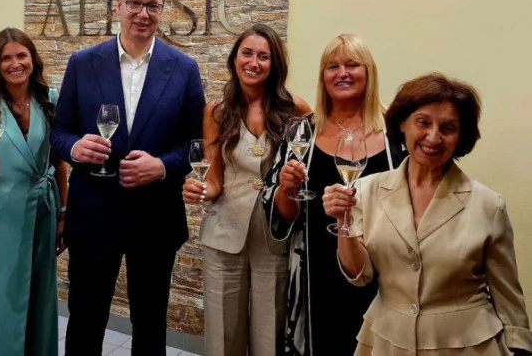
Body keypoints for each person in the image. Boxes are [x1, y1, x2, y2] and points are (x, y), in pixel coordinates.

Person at [51, 0, 206, 356]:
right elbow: (59, 131)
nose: (143, 13)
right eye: (135, 3)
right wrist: (75, 147)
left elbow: (197, 144)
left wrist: (163, 167)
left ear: (162, 11)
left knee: (150, 324)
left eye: (152, 5)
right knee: (85, 319)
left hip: (155, 215)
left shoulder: (184, 68)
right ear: (118, 7)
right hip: (93, 214)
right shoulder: (83, 63)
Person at [324, 73, 532, 355]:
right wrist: (343, 219)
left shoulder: (488, 205)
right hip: (389, 343)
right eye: (423, 122)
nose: (434, 137)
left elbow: (508, 298)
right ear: (403, 124)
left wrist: (520, 346)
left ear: (461, 136)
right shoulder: (366, 191)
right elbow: (360, 276)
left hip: (469, 346)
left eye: (448, 128)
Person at [265, 34, 404, 355]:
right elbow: (281, 217)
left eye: (352, 65)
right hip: (316, 274)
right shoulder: (302, 132)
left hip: (383, 272)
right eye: (332, 67)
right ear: (323, 76)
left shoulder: (396, 131)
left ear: (369, 72)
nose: (342, 73)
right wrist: (286, 189)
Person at [181, 24, 311, 356]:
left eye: (263, 56)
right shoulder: (216, 111)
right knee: (223, 334)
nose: (253, 63)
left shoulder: (295, 108)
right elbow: (215, 181)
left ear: (274, 64)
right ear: (235, 58)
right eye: (247, 53)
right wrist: (199, 189)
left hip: (276, 236)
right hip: (224, 233)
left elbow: (322, 144)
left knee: (271, 334)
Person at [0, 28, 68, 356]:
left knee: (38, 303)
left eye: (21, 55)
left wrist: (62, 214)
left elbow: (59, 164)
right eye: (6, 58)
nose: (15, 63)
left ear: (33, 59)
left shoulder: (51, 101)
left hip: (41, 216)